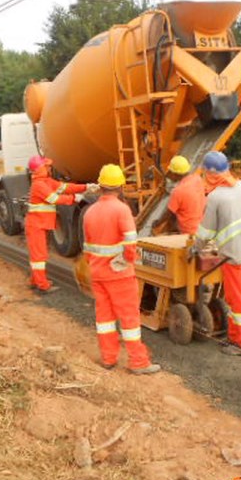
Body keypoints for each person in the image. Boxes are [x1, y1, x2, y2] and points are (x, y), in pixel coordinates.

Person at [82, 164, 160, 374]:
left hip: (98, 274)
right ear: (120, 187)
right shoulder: (121, 209)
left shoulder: (90, 212)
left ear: (101, 186)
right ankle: (138, 362)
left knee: (105, 319)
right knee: (129, 319)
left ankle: (108, 358)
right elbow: (130, 243)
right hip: (119, 275)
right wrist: (127, 261)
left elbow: (88, 248)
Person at [194, 151, 241, 356]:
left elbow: (206, 232)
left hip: (234, 254)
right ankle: (235, 336)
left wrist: (195, 247)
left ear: (209, 174)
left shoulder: (216, 197)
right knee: (239, 293)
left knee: (237, 298)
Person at [25, 155, 91, 294]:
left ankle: (35, 280)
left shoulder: (46, 181)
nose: (49, 167)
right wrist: (74, 198)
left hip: (40, 224)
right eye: (46, 166)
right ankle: (42, 285)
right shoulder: (39, 185)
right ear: (40, 169)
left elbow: (65, 187)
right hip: (36, 226)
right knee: (39, 256)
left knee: (38, 255)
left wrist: (85, 187)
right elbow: (54, 198)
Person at [151, 155, 206, 235]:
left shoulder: (178, 191)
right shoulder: (197, 179)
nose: (169, 175)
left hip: (188, 231)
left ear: (175, 174)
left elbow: (169, 213)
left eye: (170, 172)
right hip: (201, 226)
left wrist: (157, 223)